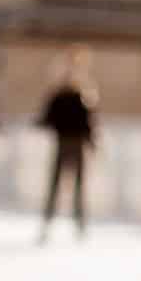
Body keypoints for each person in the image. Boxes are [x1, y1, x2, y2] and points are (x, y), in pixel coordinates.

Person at [36, 48, 99, 239]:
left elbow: (46, 119)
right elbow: (88, 123)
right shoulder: (78, 97)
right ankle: (70, 223)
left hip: (67, 142)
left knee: (60, 184)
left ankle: (65, 223)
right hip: (72, 142)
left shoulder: (70, 96)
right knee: (70, 184)